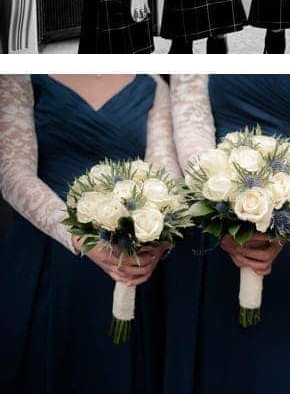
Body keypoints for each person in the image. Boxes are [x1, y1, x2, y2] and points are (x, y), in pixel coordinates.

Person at [163, 74, 290, 394]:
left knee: (283, 370)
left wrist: (287, 224)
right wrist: (220, 211)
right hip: (214, 224)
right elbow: (191, 122)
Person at [0, 75, 177, 393]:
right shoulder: (21, 75)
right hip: (43, 256)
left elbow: (163, 172)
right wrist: (81, 237)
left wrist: (159, 240)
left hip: (127, 260)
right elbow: (13, 170)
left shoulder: (153, 84)